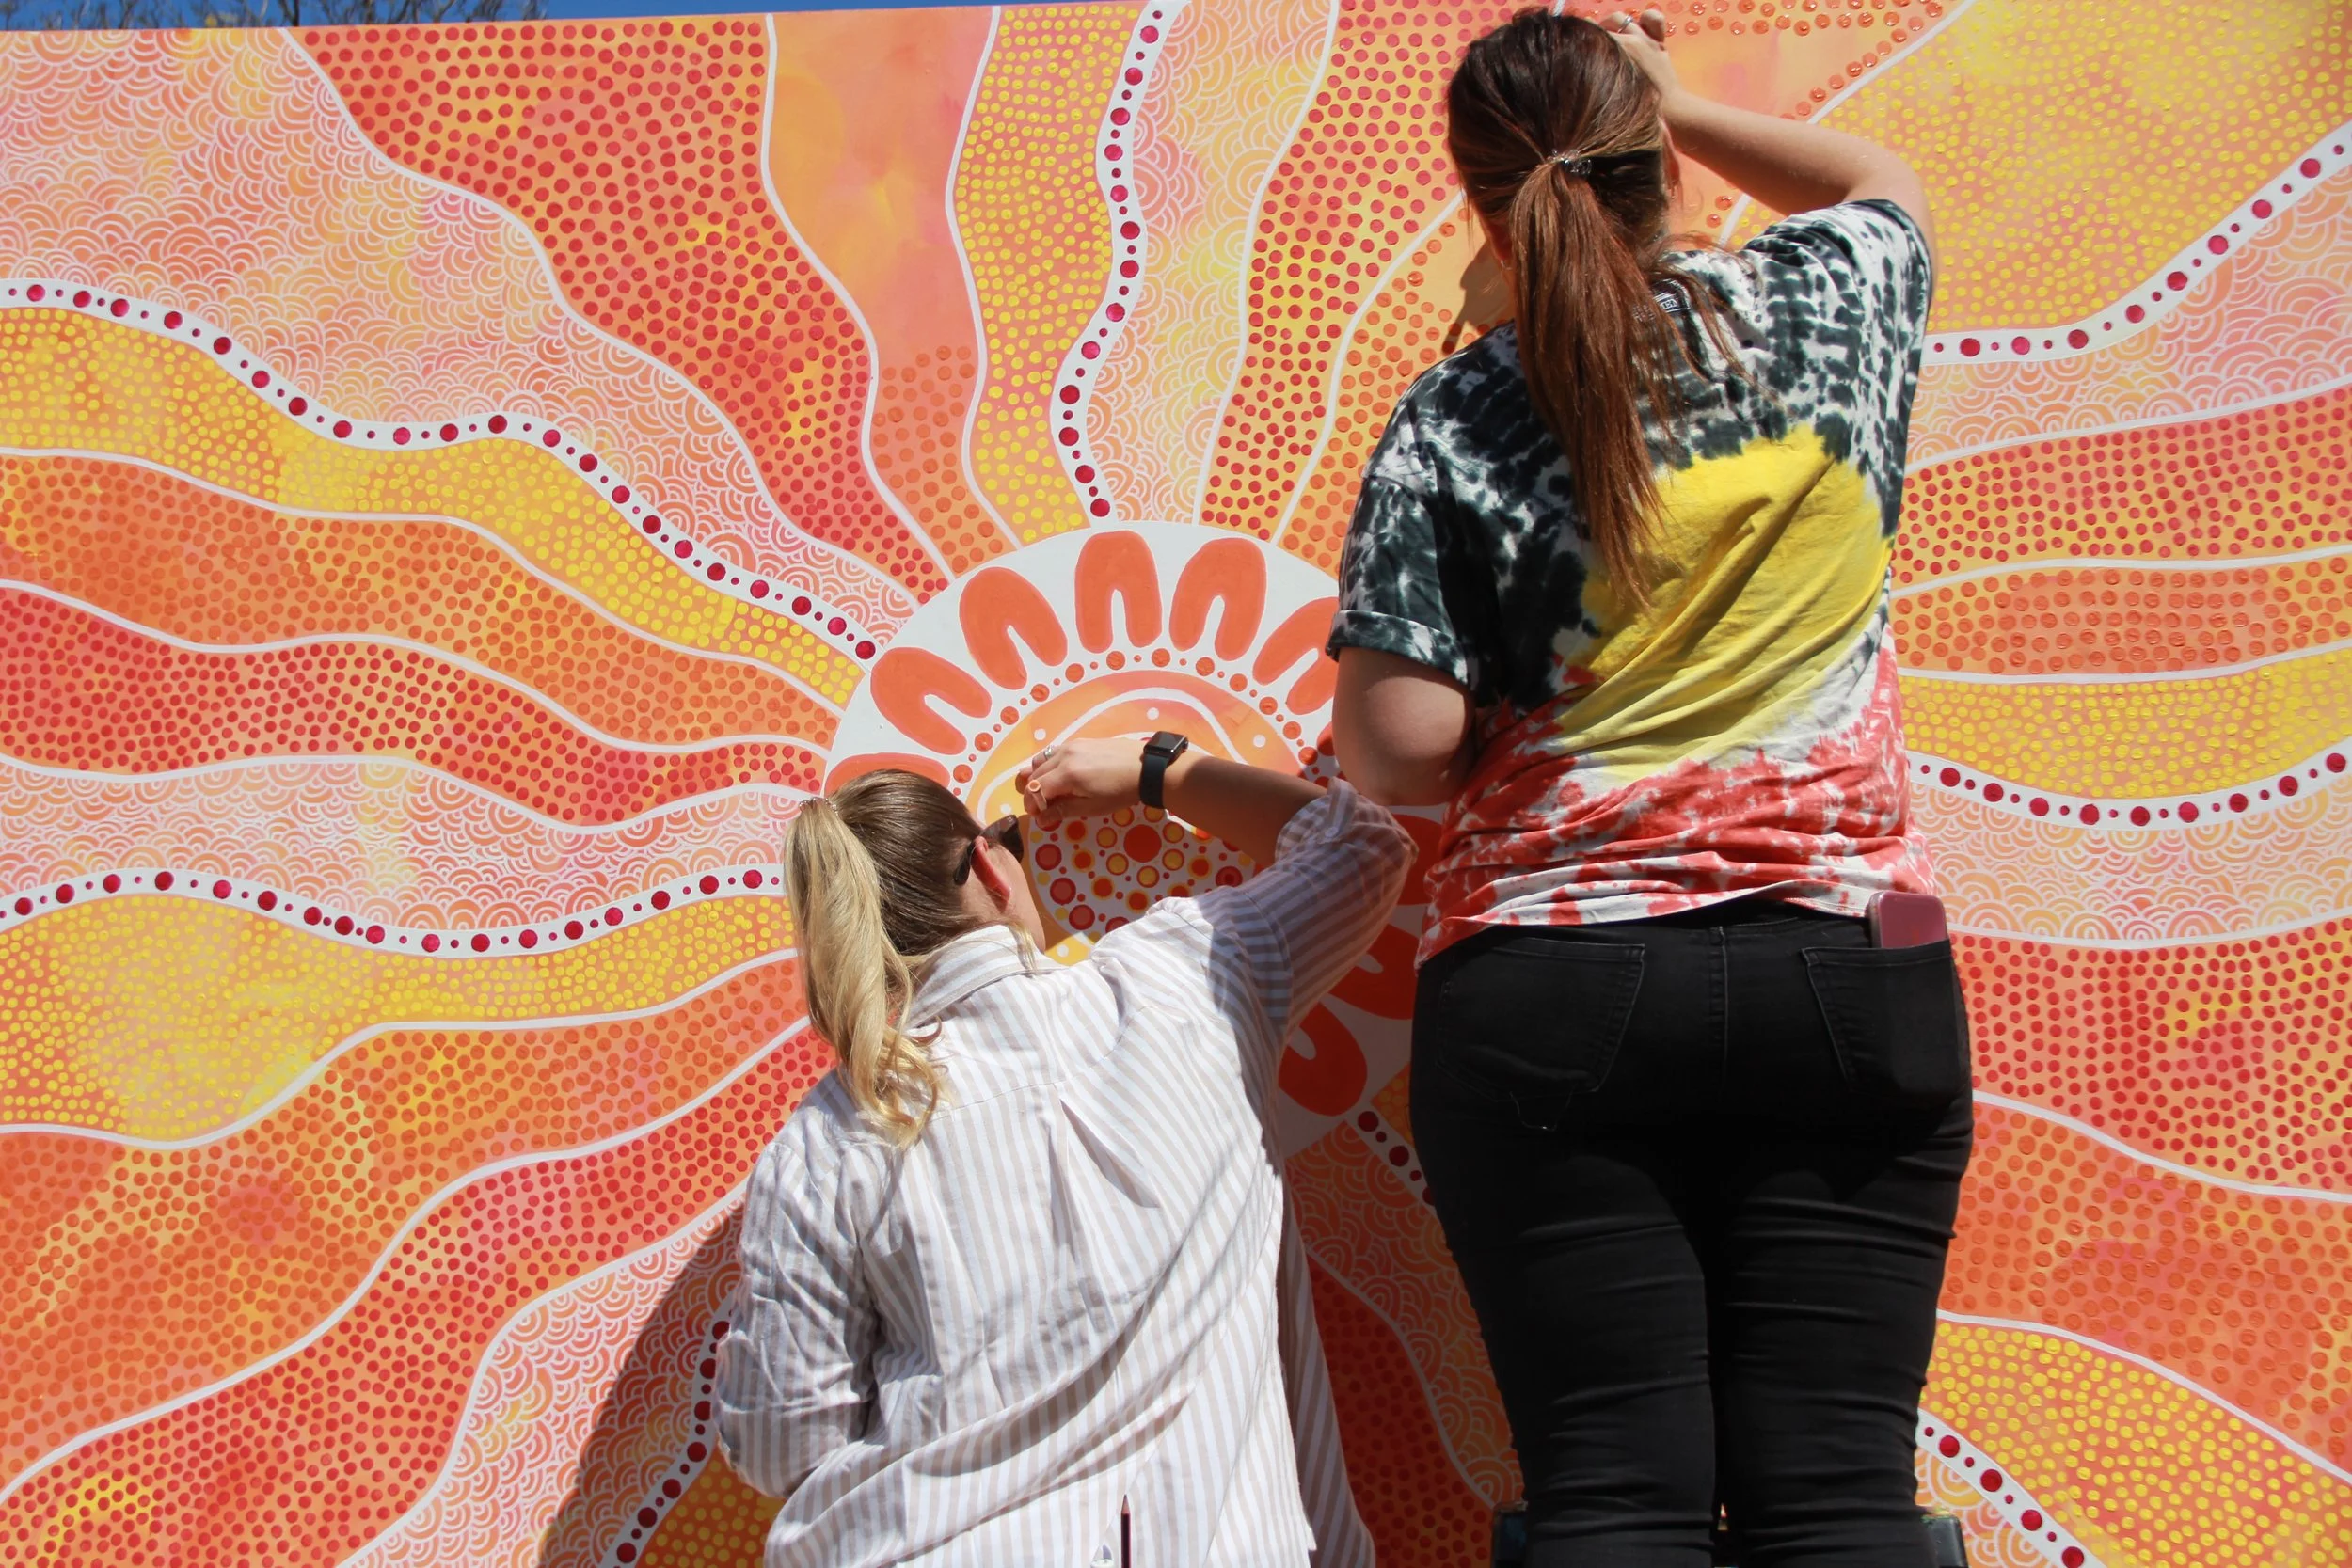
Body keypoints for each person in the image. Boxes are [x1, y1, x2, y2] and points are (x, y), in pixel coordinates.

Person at [1326, 8, 1970, 1566]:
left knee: (1618, 1496)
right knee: (1839, 1495)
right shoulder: (1832, 303)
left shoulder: (1462, 406)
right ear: (1654, 156)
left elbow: (1401, 745)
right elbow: (1882, 179)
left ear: (1485, 202)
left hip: (1556, 985)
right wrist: (1677, 97)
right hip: (1851, 967)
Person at [714, 736, 1412, 1567]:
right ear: (991, 865)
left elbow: (780, 1443)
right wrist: (1158, 769)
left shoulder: (827, 1144)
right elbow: (1362, 847)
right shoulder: (1189, 981)